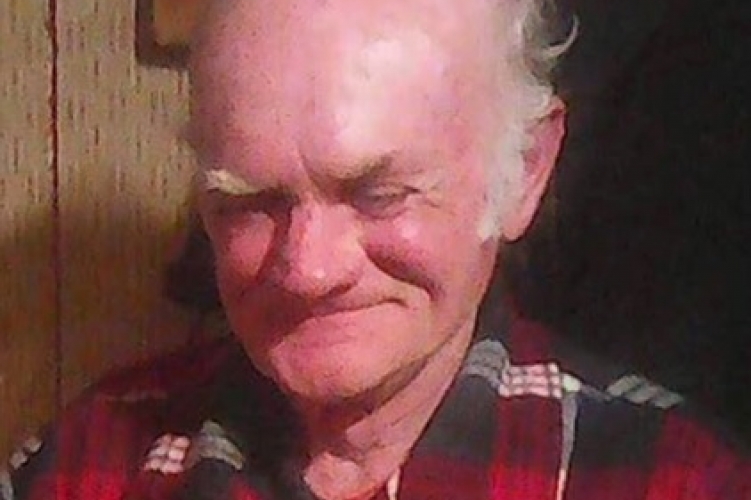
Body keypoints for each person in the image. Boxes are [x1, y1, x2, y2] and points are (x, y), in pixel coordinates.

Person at [3, 0, 749, 499]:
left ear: (523, 170)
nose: (308, 271)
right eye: (251, 203)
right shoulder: (78, 466)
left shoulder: (675, 482)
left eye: (379, 194)